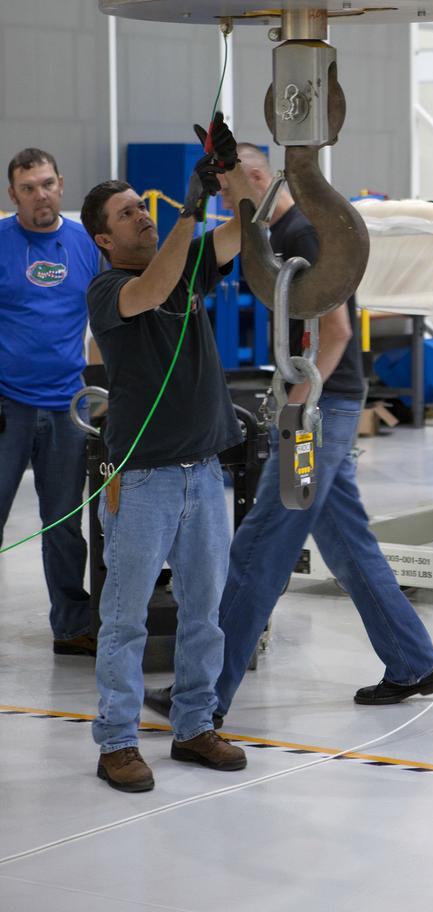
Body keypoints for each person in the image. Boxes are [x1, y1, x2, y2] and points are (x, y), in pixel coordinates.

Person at [145, 141, 433, 728]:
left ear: (257, 177)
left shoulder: (301, 235)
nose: (228, 204)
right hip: (322, 405)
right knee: (348, 546)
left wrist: (298, 410)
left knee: (259, 547)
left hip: (321, 411)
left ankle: (201, 697)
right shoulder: (271, 234)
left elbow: (335, 332)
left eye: (231, 192)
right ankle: (414, 663)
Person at [80, 114, 252, 793]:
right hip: (143, 481)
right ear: (104, 238)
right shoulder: (107, 291)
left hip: (204, 474)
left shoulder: (188, 270)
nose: (141, 219)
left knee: (204, 611)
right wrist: (189, 206)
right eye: (127, 215)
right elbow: (149, 292)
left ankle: (193, 726)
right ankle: (117, 740)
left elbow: (245, 229)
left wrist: (230, 173)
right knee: (123, 618)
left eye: (143, 209)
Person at [0, 148, 101, 655]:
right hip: (7, 406)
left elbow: (108, 316)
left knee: (64, 523)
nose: (39, 195)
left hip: (69, 405)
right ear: (12, 195)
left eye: (46, 184)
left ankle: (70, 626)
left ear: (61, 184)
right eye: (27, 187)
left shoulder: (85, 244)